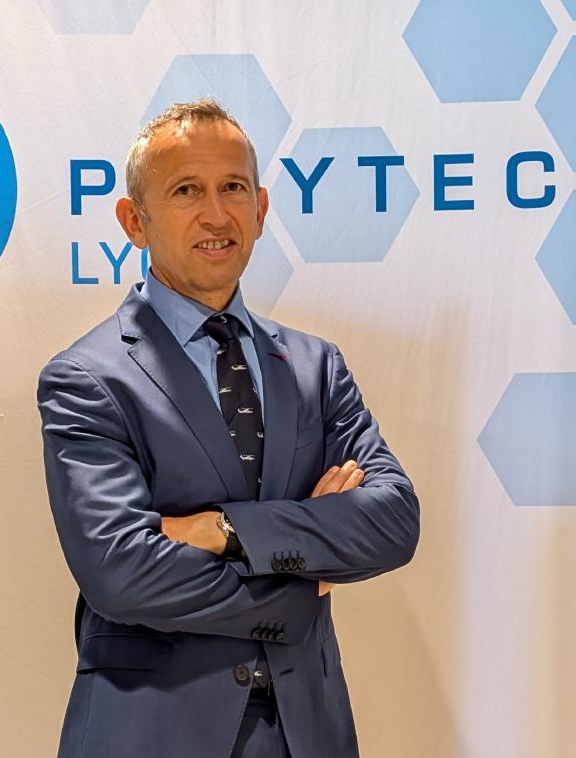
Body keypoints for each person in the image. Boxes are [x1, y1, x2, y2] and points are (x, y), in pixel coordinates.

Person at [37, 98, 419, 758]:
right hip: (152, 734)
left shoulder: (316, 367)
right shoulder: (87, 379)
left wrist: (223, 530)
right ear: (134, 221)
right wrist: (304, 580)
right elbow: (122, 572)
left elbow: (392, 521)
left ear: (262, 209)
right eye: (186, 190)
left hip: (308, 733)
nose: (217, 214)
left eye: (234, 188)